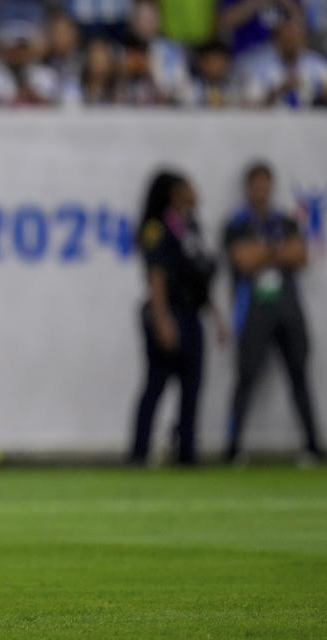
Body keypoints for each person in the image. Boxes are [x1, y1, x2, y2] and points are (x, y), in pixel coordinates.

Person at [223, 162, 323, 463]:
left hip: (287, 306)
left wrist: (264, 251)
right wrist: (278, 251)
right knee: (246, 376)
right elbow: (243, 260)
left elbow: (302, 255)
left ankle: (312, 445)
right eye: (256, 184)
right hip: (254, 307)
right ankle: (233, 448)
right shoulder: (238, 223)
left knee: (299, 375)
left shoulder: (286, 220)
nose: (261, 190)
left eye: (266, 184)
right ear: (248, 188)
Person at [130, 171, 225, 466]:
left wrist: (216, 315)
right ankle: (139, 453)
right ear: (174, 192)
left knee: (192, 387)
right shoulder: (157, 228)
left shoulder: (190, 227)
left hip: (191, 311)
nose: (195, 191)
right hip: (168, 312)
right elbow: (156, 276)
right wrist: (162, 319)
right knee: (156, 384)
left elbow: (197, 277)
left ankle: (186, 452)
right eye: (188, 187)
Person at [242, 18, 327, 107]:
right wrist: (278, 91)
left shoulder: (319, 65)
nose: (291, 43)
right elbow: (250, 105)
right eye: (287, 38)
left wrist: (317, 91)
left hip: (313, 119)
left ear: (304, 40)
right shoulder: (260, 68)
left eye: (295, 38)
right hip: (272, 119)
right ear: (276, 40)